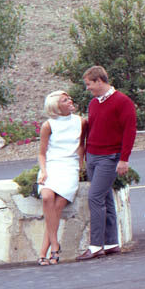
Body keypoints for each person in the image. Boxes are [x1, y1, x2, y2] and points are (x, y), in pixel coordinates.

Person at [76, 65, 136, 261]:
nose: (88, 88)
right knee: (106, 198)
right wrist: (85, 157)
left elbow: (130, 131)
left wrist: (124, 159)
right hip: (93, 156)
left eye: (89, 84)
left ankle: (95, 246)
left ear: (99, 81)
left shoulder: (122, 102)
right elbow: (91, 130)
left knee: (94, 197)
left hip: (109, 158)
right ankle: (111, 243)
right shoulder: (93, 103)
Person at [36, 90, 85, 265]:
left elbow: (81, 146)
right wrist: (43, 171)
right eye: (65, 100)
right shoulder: (48, 125)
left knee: (56, 208)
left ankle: (44, 251)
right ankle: (55, 244)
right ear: (57, 107)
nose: (70, 101)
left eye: (69, 98)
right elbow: (42, 153)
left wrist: (79, 167)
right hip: (52, 166)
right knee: (47, 196)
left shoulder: (81, 122)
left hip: (70, 167)